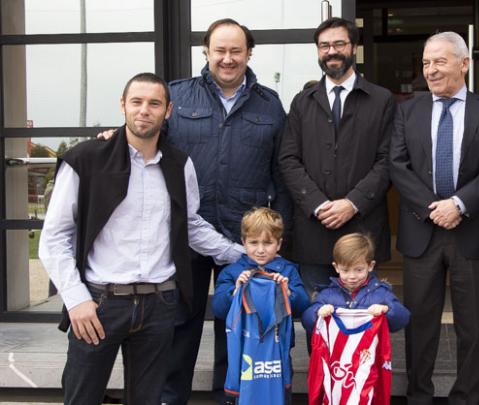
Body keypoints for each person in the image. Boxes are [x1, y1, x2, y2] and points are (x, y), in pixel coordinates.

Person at [100, 19, 290, 404]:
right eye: (220, 50)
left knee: (237, 321)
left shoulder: (270, 103)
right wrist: (113, 139)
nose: (228, 58)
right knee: (179, 322)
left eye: (236, 50)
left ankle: (231, 396)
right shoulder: (178, 96)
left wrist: (279, 236)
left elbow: (281, 171)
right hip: (184, 229)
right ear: (206, 51)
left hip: (246, 236)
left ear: (249, 53)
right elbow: (144, 138)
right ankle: (171, 398)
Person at [38, 72, 244, 405]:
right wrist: (76, 300)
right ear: (123, 106)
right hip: (98, 306)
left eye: (154, 103)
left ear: (169, 110)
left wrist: (242, 255)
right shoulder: (86, 160)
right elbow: (54, 238)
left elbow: (190, 226)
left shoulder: (180, 164)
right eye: (136, 102)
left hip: (159, 306)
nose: (144, 110)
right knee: (81, 398)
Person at [389, 31, 479, 405]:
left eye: (439, 61)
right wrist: (432, 208)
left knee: (470, 326)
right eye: (426, 62)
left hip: (471, 232)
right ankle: (419, 395)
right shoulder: (407, 110)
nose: (431, 70)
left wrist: (458, 204)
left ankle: (466, 397)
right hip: (421, 231)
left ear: (464, 63)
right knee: (420, 324)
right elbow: (398, 165)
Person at [279, 17, 395, 295]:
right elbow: (288, 159)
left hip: (362, 231)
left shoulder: (381, 100)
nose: (331, 51)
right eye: (324, 46)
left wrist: (352, 203)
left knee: (362, 319)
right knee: (317, 320)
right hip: (313, 232)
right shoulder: (302, 102)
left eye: (339, 44)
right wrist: (318, 204)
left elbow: (388, 160)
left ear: (353, 47)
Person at [212, 207, 309, 403]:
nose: (261, 249)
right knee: (243, 394)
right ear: (243, 242)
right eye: (254, 243)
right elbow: (219, 308)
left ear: (279, 243)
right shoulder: (233, 272)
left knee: (280, 393)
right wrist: (235, 291)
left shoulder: (287, 271)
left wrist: (288, 292)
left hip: (277, 350)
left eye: (268, 243)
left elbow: (303, 304)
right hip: (244, 350)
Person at [301, 233, 410, 333]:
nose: (352, 276)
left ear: (370, 266)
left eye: (359, 270)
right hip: (337, 352)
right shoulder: (327, 295)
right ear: (336, 267)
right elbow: (307, 322)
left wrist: (387, 310)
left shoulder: (381, 293)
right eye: (345, 270)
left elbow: (402, 319)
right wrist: (317, 312)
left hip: (369, 352)